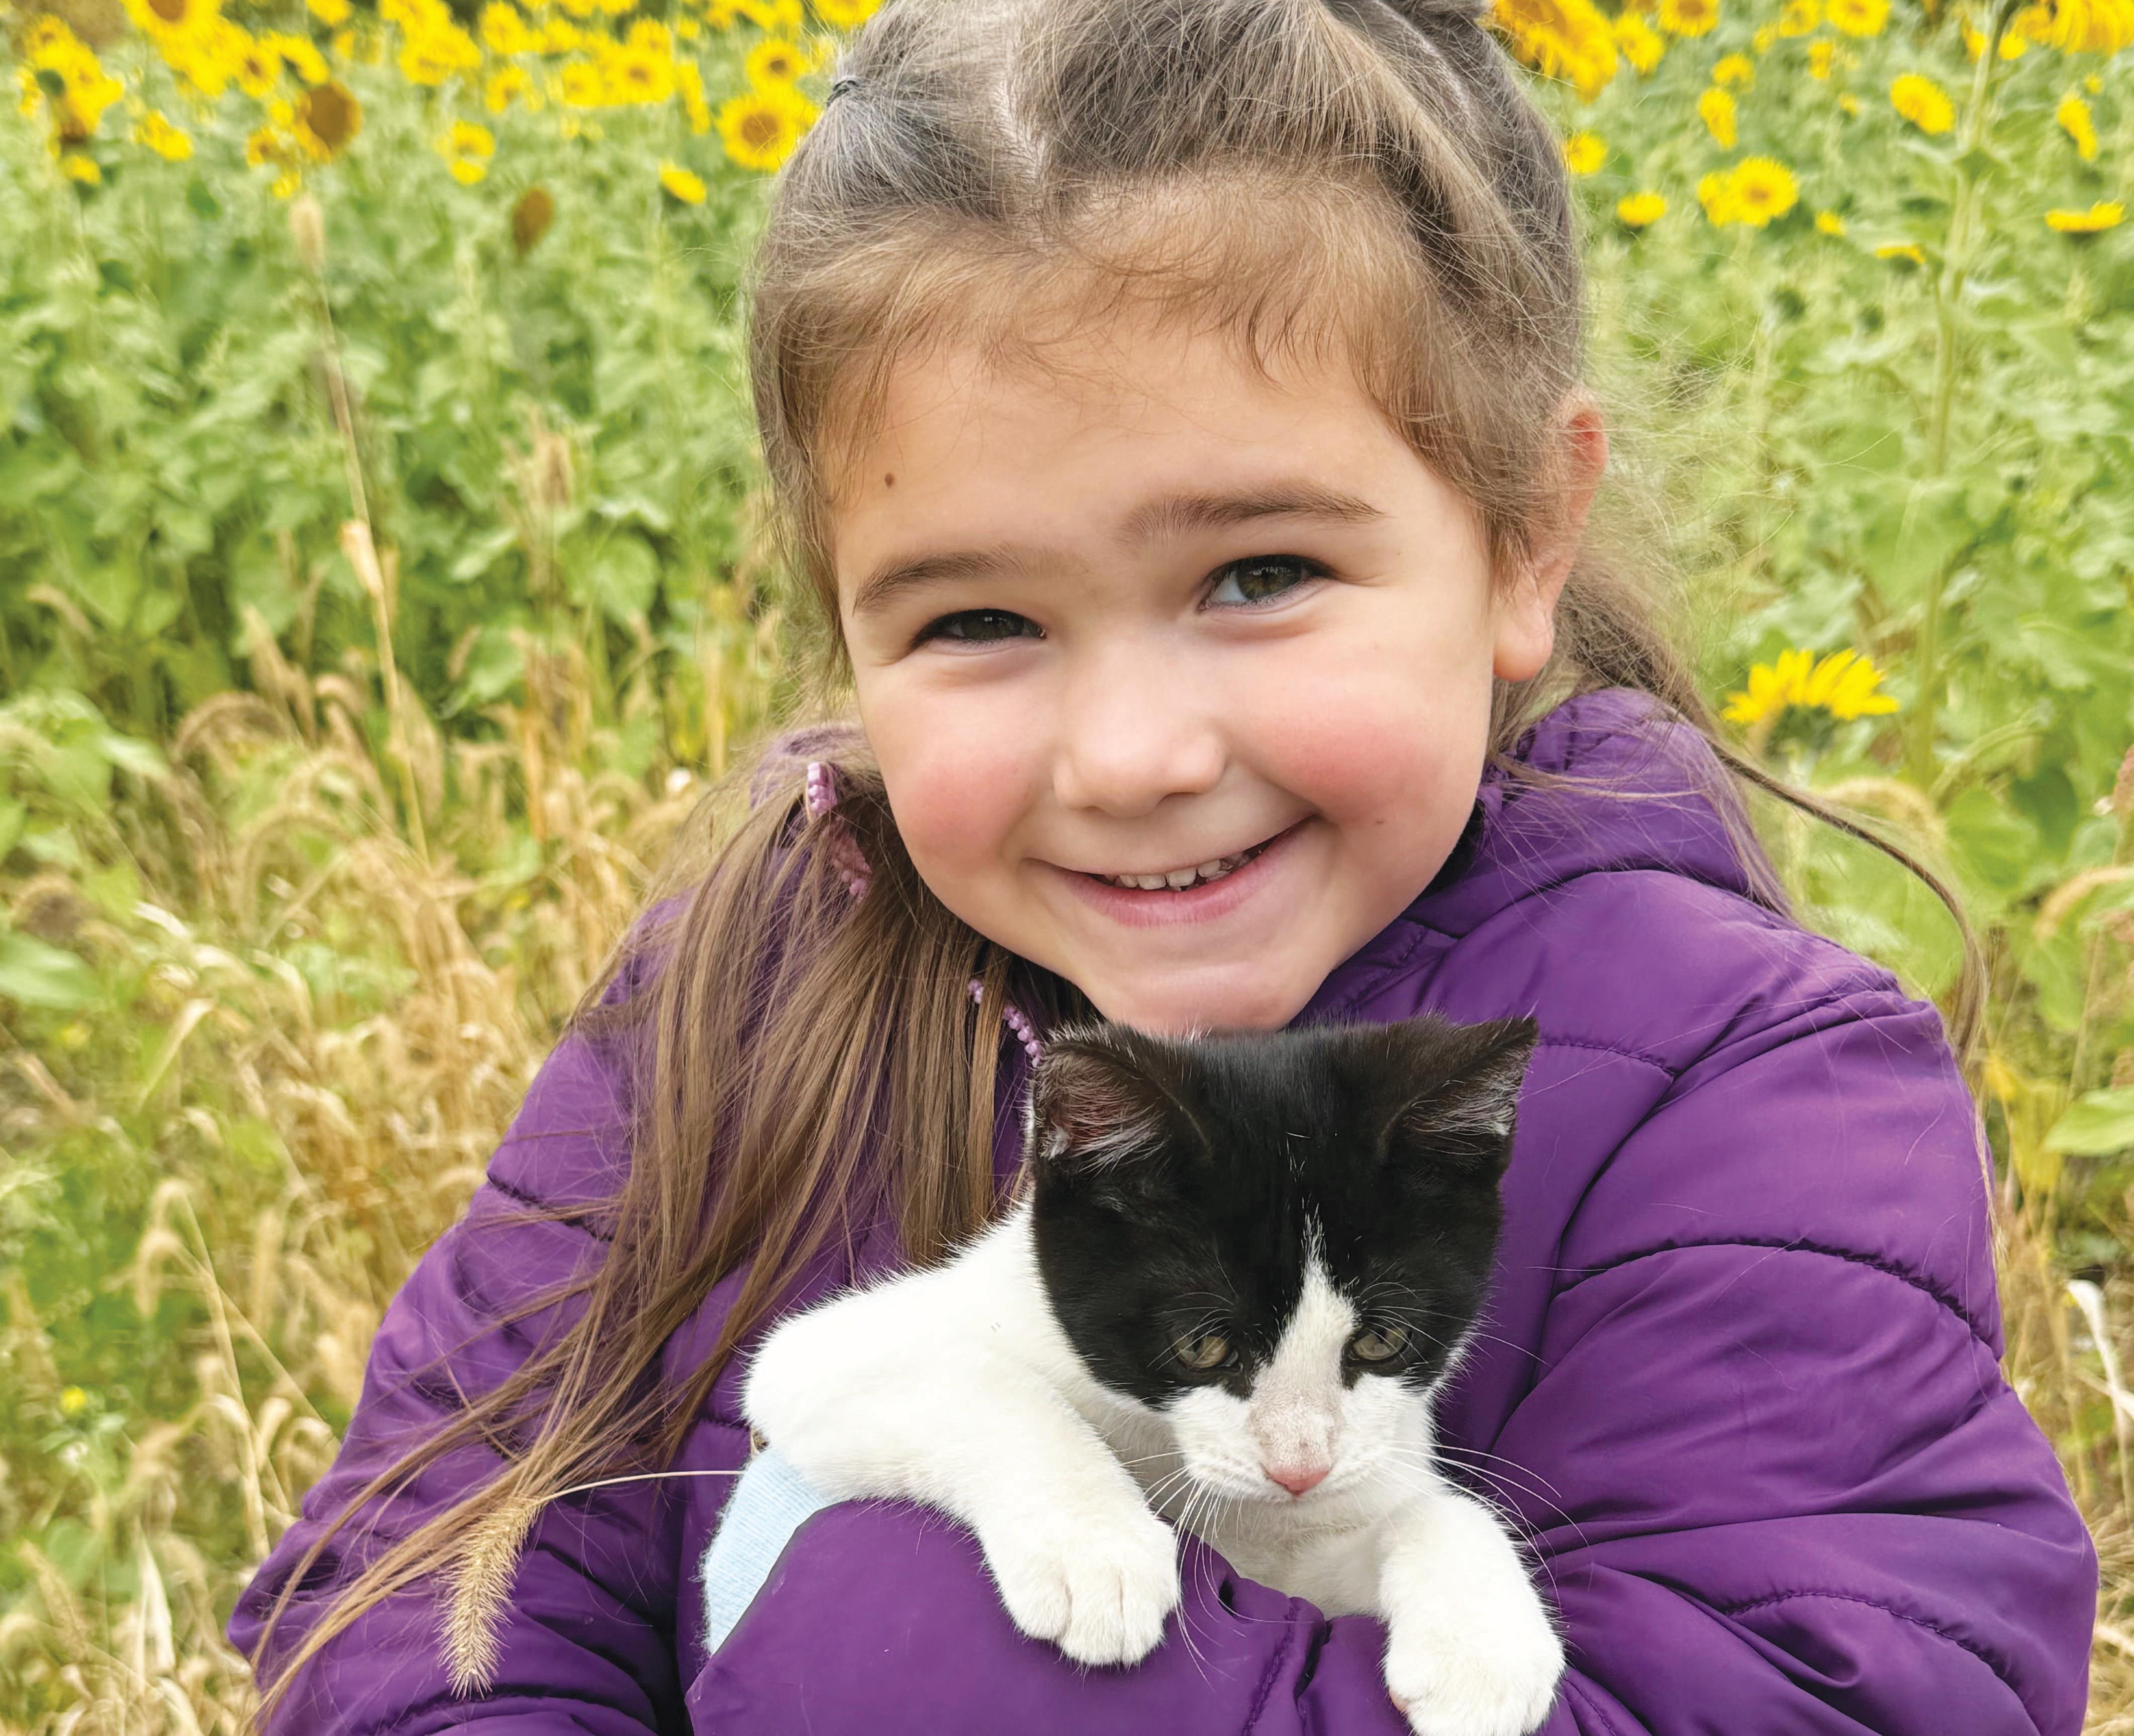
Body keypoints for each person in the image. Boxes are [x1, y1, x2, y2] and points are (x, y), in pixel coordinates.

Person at [228, 0, 2099, 1728]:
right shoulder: (753, 983)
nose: (1130, 758)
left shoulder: (1744, 1101)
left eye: (1258, 575)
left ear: (1525, 534)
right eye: (973, 619)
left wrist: (869, 1627)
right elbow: (428, 1575)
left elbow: (1810, 1694)